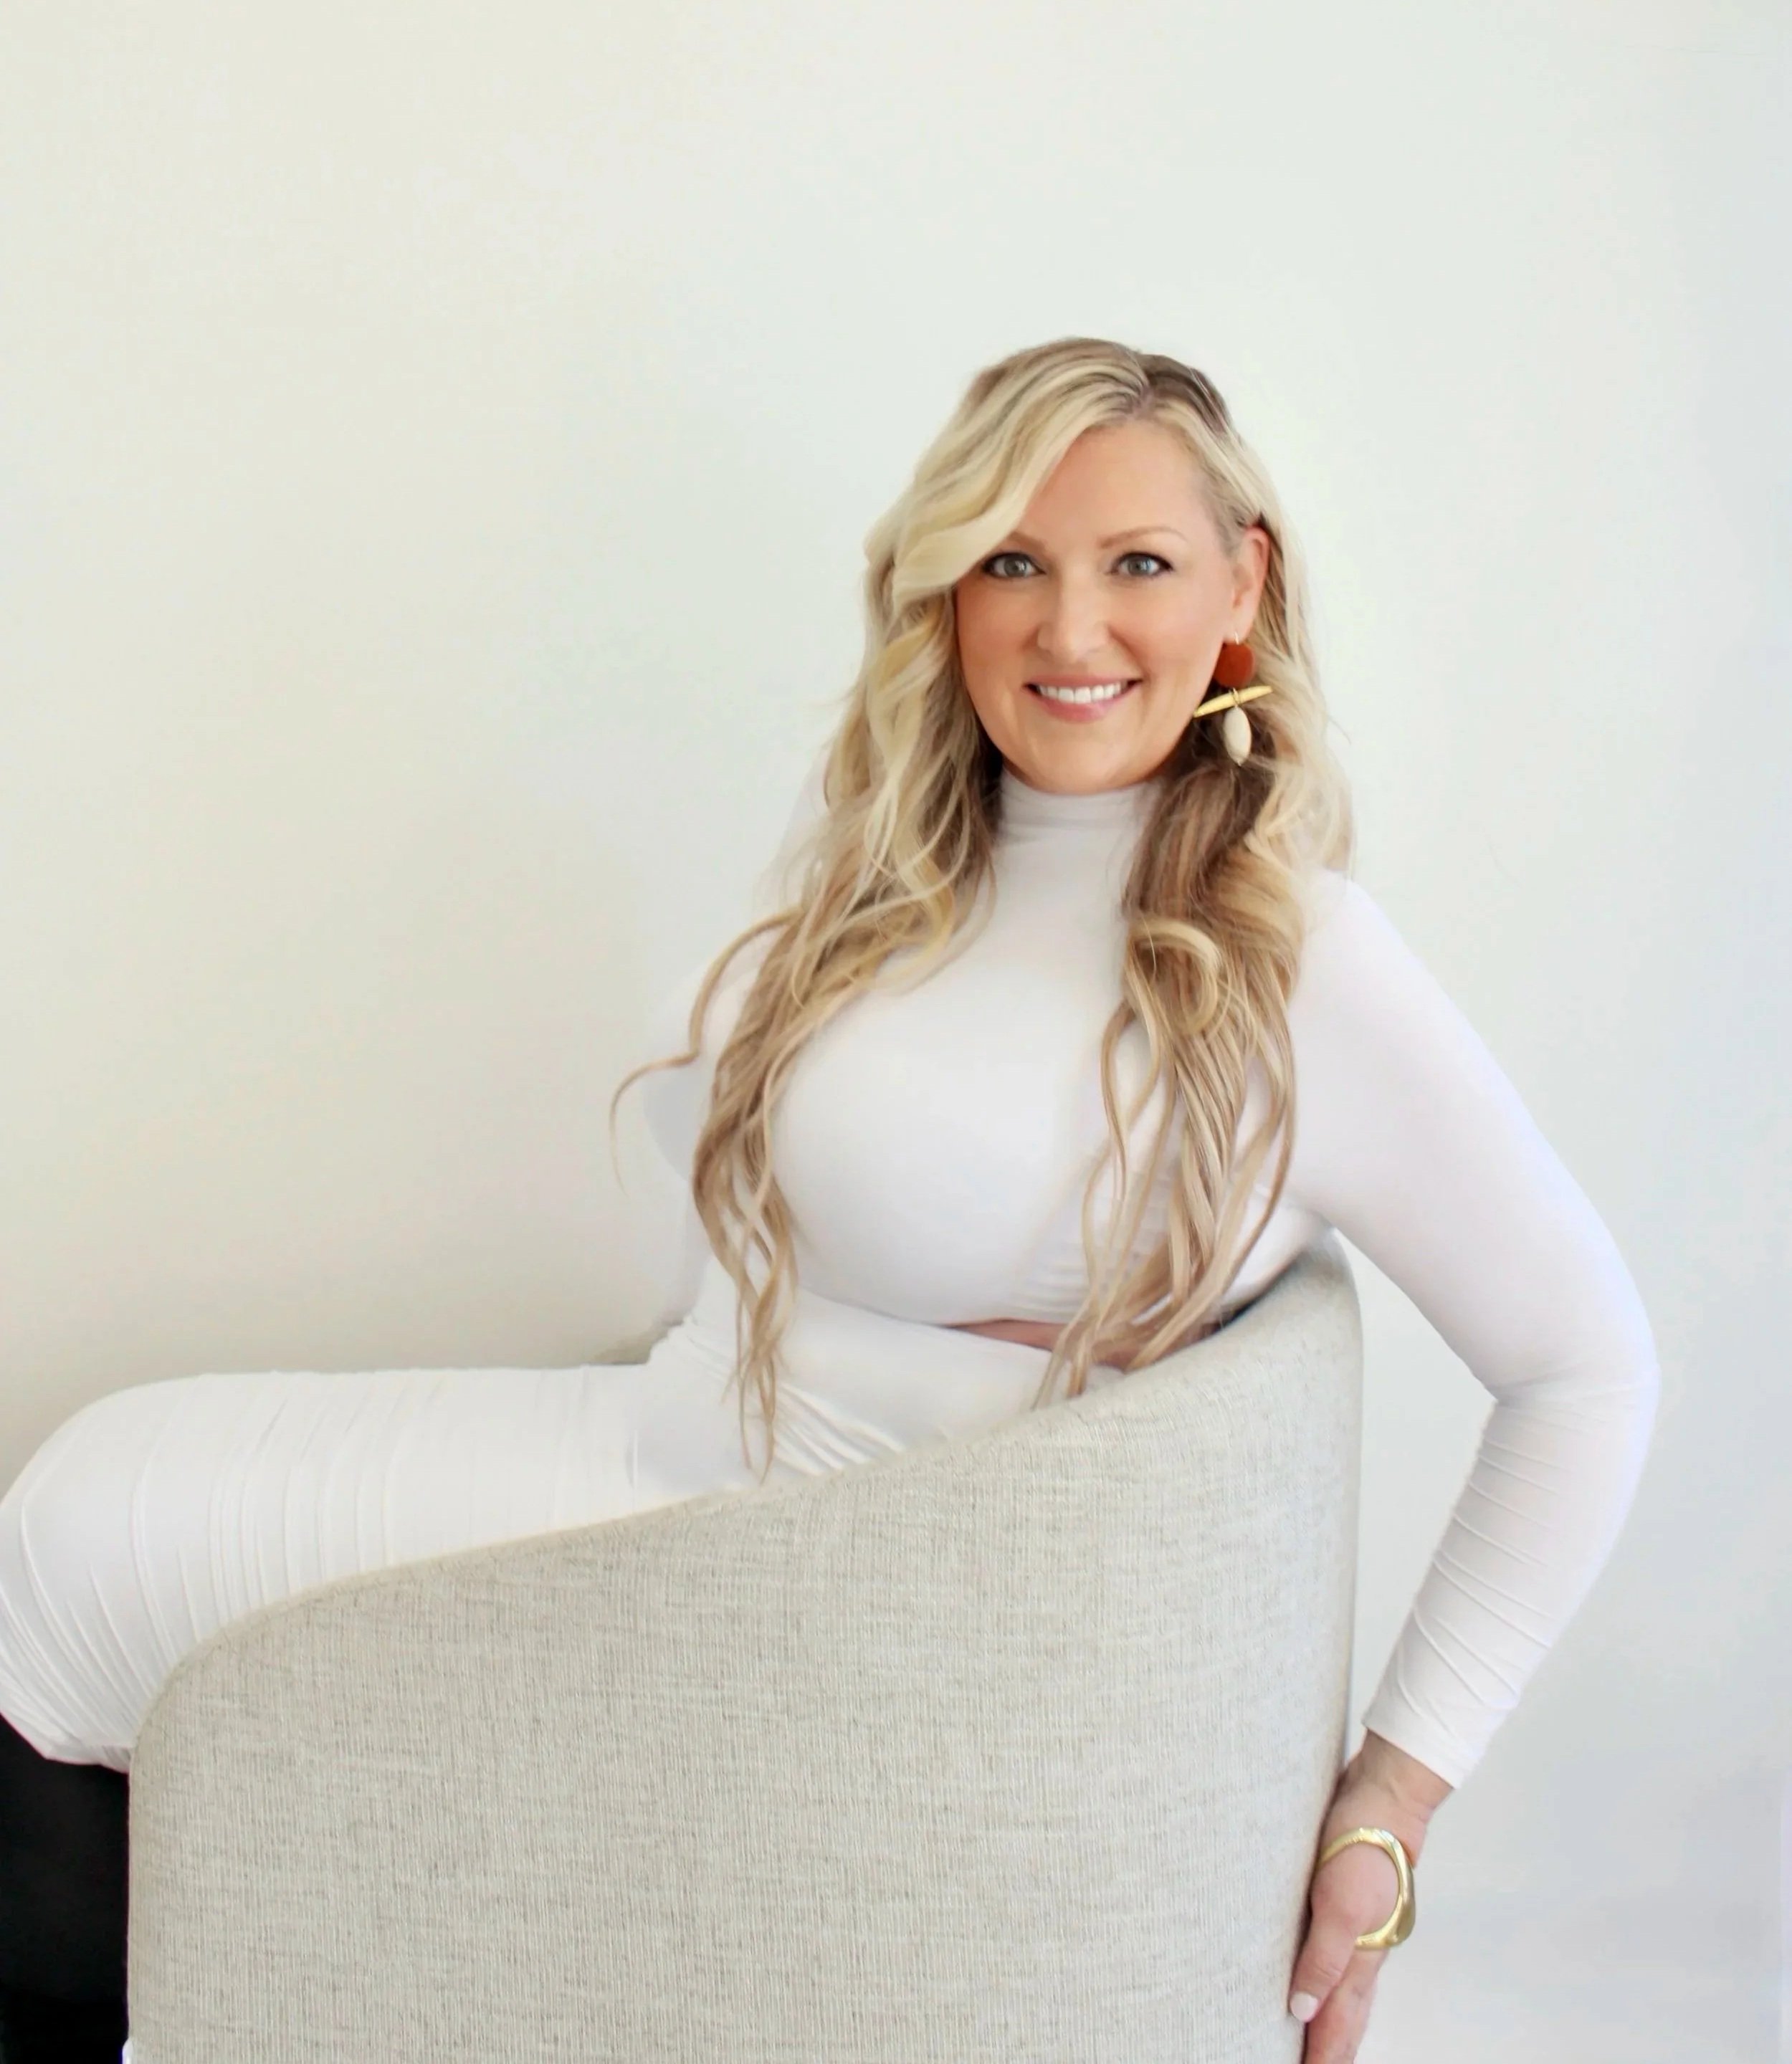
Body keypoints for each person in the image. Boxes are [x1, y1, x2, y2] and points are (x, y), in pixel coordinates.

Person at [0, 338, 1660, 2064]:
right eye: (1009, 562)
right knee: (93, 1490)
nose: (1068, 631)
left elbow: (1585, 1370)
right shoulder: (910, 861)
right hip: (688, 1459)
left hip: (773, 1581)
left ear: (1242, 587)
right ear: (941, 592)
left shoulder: (1298, 961)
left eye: (1137, 566)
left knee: (74, 1552)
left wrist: (1388, 1803)